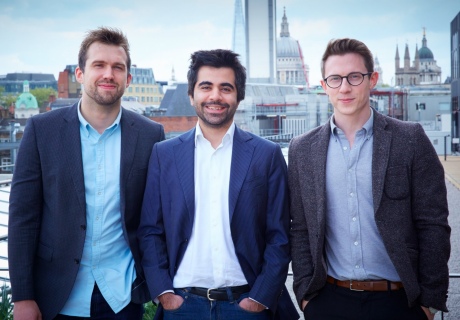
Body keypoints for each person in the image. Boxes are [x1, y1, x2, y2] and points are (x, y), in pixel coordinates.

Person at [8, 27, 164, 320]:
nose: (109, 74)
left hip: (122, 295)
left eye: (118, 67)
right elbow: (22, 219)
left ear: (128, 79)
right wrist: (23, 297)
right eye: (99, 65)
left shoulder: (150, 135)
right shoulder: (42, 131)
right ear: (80, 74)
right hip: (56, 295)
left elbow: (157, 217)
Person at [289, 38, 451, 320]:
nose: (345, 87)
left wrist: (429, 304)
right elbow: (301, 228)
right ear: (324, 85)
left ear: (372, 79)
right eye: (335, 79)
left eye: (354, 76)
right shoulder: (302, 149)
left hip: (401, 304)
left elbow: (433, 224)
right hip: (329, 302)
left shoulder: (410, 139)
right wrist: (306, 297)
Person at [138, 49, 299, 320]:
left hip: (247, 306)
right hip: (182, 306)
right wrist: (164, 293)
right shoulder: (164, 155)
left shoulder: (266, 155)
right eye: (206, 87)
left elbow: (280, 235)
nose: (215, 96)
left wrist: (260, 298)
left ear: (239, 96)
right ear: (191, 95)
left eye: (226, 88)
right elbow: (150, 230)